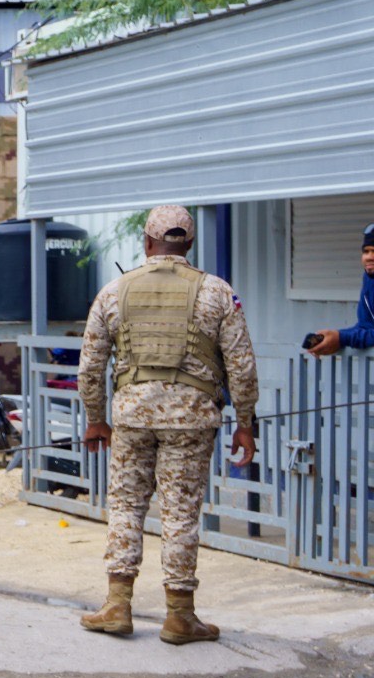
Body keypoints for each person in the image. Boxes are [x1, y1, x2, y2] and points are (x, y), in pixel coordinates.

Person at [77, 204, 258, 644]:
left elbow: (90, 365)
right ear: (190, 245)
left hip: (132, 417)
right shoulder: (216, 292)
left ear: (146, 243)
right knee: (180, 513)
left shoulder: (114, 291)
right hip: (191, 420)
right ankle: (180, 615)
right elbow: (242, 366)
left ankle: (118, 606)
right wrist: (245, 422)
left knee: (126, 505)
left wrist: (96, 419)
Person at [302, 223, 374, 356]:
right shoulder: (369, 279)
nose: (369, 257)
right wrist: (334, 338)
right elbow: (366, 326)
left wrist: (342, 338)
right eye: (366, 251)